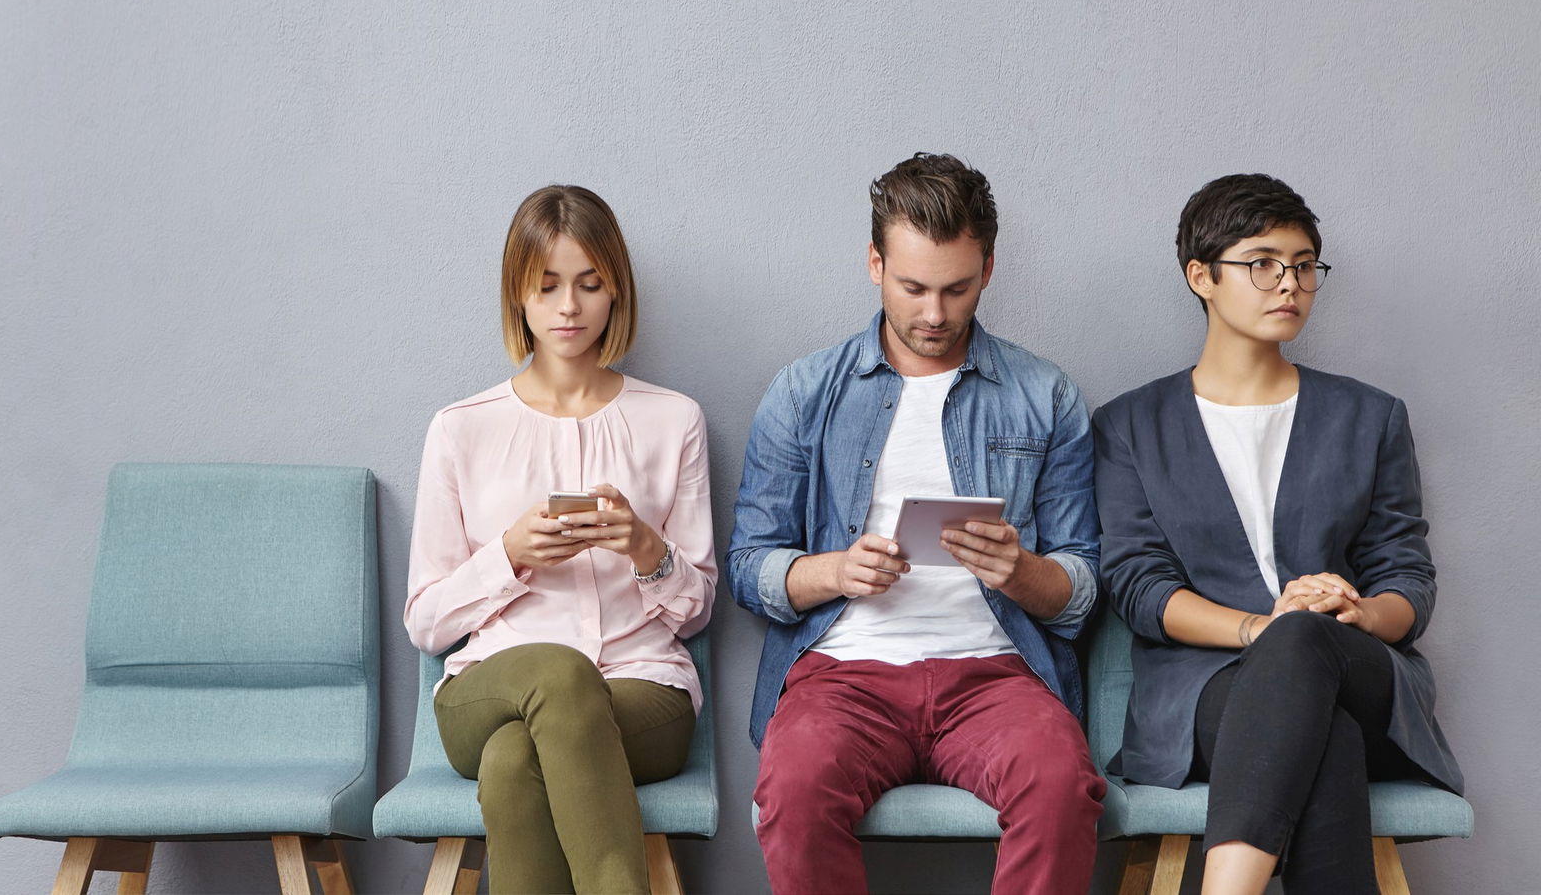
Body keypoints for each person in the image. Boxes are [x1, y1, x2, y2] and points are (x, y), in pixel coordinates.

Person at [727, 153, 1106, 895]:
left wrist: (1021, 572)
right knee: (793, 790)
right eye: (913, 287)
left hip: (995, 674)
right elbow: (748, 566)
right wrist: (835, 571)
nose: (934, 313)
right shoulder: (804, 393)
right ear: (875, 264)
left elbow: (1082, 585)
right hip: (843, 676)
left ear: (988, 269)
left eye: (956, 288)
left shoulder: (1045, 395)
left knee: (1063, 787)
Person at [1093, 173, 1462, 895]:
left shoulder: (1371, 417)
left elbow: (1408, 577)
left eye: (1303, 266)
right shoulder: (1131, 426)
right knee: (1324, 735)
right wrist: (1262, 629)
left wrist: (1357, 614)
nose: (1289, 283)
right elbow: (1138, 585)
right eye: (1262, 264)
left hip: (1357, 666)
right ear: (1201, 276)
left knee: (1306, 644)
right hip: (1205, 689)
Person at [405, 185, 716, 895]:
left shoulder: (674, 421)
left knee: (514, 760)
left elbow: (697, 612)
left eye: (589, 284)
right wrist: (509, 555)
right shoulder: (460, 428)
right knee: (558, 672)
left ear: (616, 291)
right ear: (518, 293)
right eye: (546, 286)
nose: (568, 307)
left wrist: (645, 550)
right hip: (486, 692)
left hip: (644, 690)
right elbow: (425, 622)